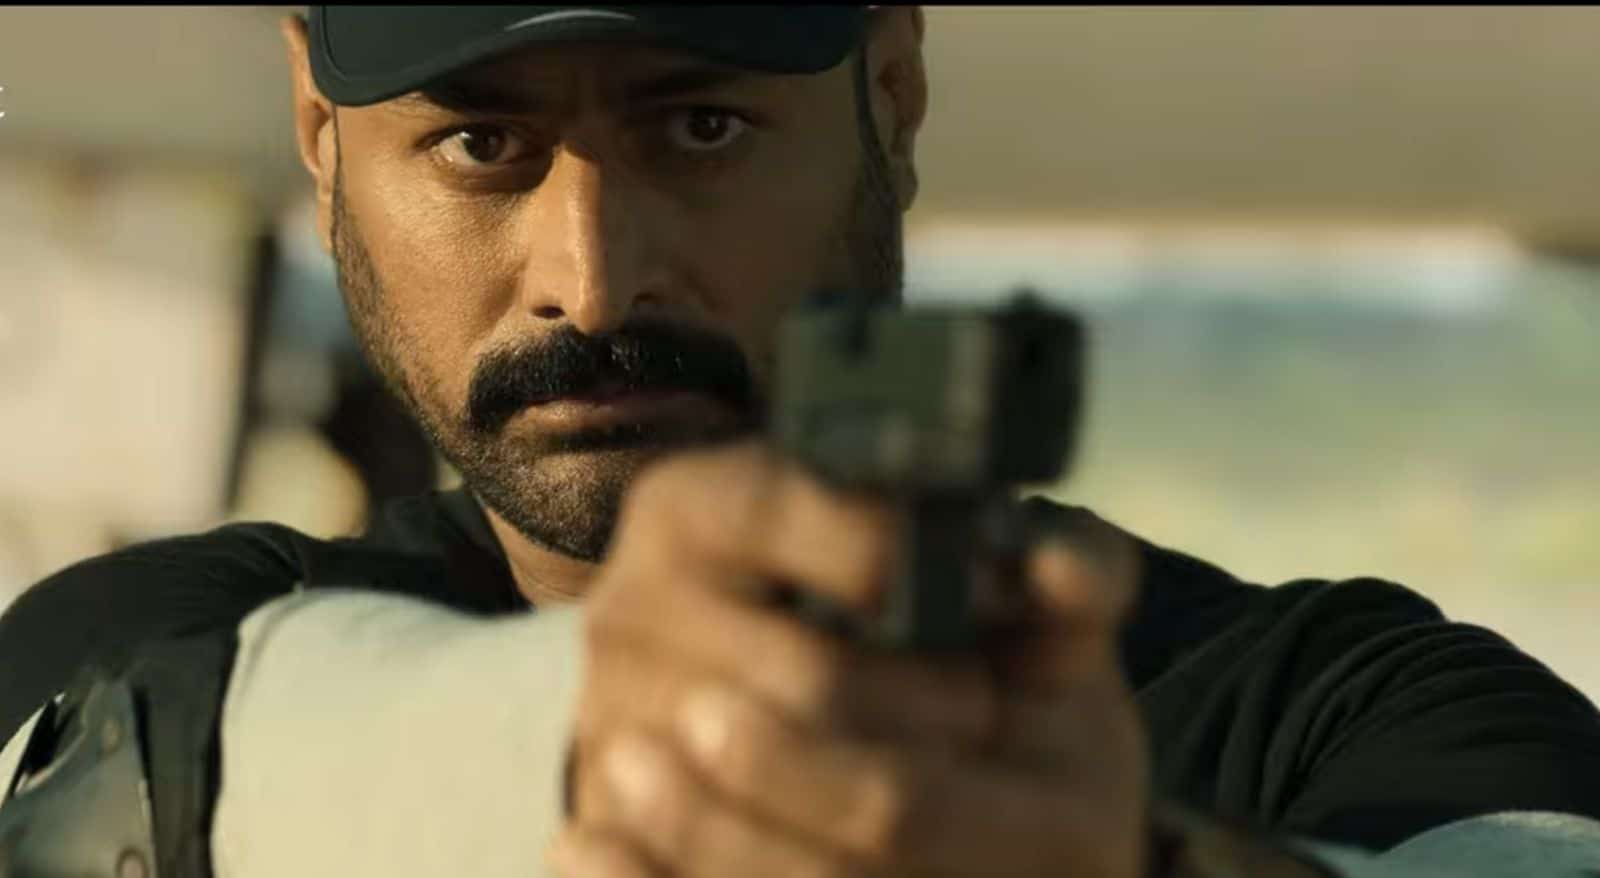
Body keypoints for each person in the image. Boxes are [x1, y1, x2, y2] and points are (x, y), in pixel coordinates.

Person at [2, 7, 1599, 877]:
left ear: (892, 95)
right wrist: (595, 745)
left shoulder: (1339, 709)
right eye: (482, 143)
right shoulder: (170, 641)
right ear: (319, 137)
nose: (594, 280)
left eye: (701, 128)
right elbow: (89, 799)